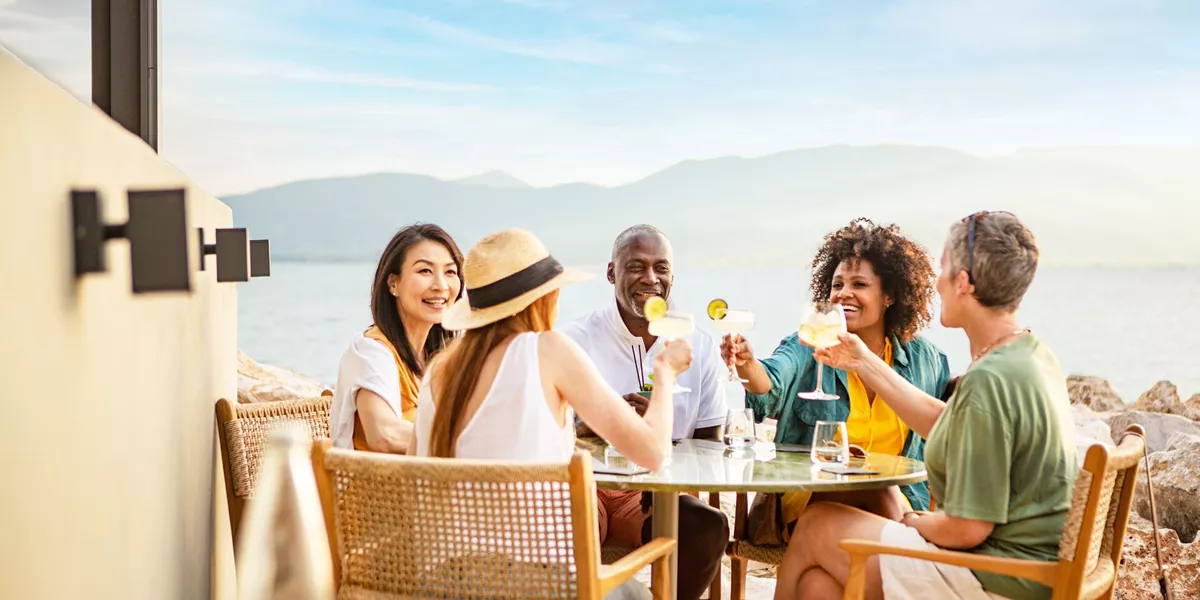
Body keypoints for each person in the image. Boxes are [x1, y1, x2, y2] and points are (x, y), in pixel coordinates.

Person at [773, 211, 1076, 600]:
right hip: (1022, 570)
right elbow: (948, 423)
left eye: (945, 270)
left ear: (964, 284)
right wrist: (862, 360)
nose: (937, 282)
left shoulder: (991, 380)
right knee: (820, 587)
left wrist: (912, 519)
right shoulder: (1028, 356)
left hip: (993, 577)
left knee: (816, 525)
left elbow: (968, 528)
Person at [413, 228, 694, 600]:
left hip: (443, 583)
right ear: (541, 299)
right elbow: (653, 452)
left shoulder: (440, 370)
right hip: (536, 585)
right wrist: (664, 374)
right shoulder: (547, 350)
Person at [722, 218, 950, 537]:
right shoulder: (808, 345)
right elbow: (767, 385)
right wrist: (747, 365)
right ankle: (914, 548)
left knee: (882, 491)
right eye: (837, 285)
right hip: (812, 498)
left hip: (899, 503)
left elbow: (945, 434)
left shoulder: (926, 361)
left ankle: (904, 544)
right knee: (876, 488)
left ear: (889, 295)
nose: (844, 294)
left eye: (859, 284)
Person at [560, 224, 729, 600]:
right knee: (564, 527)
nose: (651, 278)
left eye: (661, 268)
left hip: (655, 494)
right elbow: (549, 430)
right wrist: (592, 424)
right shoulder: (575, 339)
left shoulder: (697, 344)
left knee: (709, 525)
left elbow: (710, 443)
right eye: (636, 267)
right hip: (591, 486)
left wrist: (669, 476)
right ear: (611, 273)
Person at [330, 223, 463, 453]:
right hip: (373, 487)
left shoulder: (439, 359)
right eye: (425, 271)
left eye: (450, 272)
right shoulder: (371, 351)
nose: (441, 285)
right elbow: (384, 434)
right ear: (393, 283)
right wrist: (465, 444)